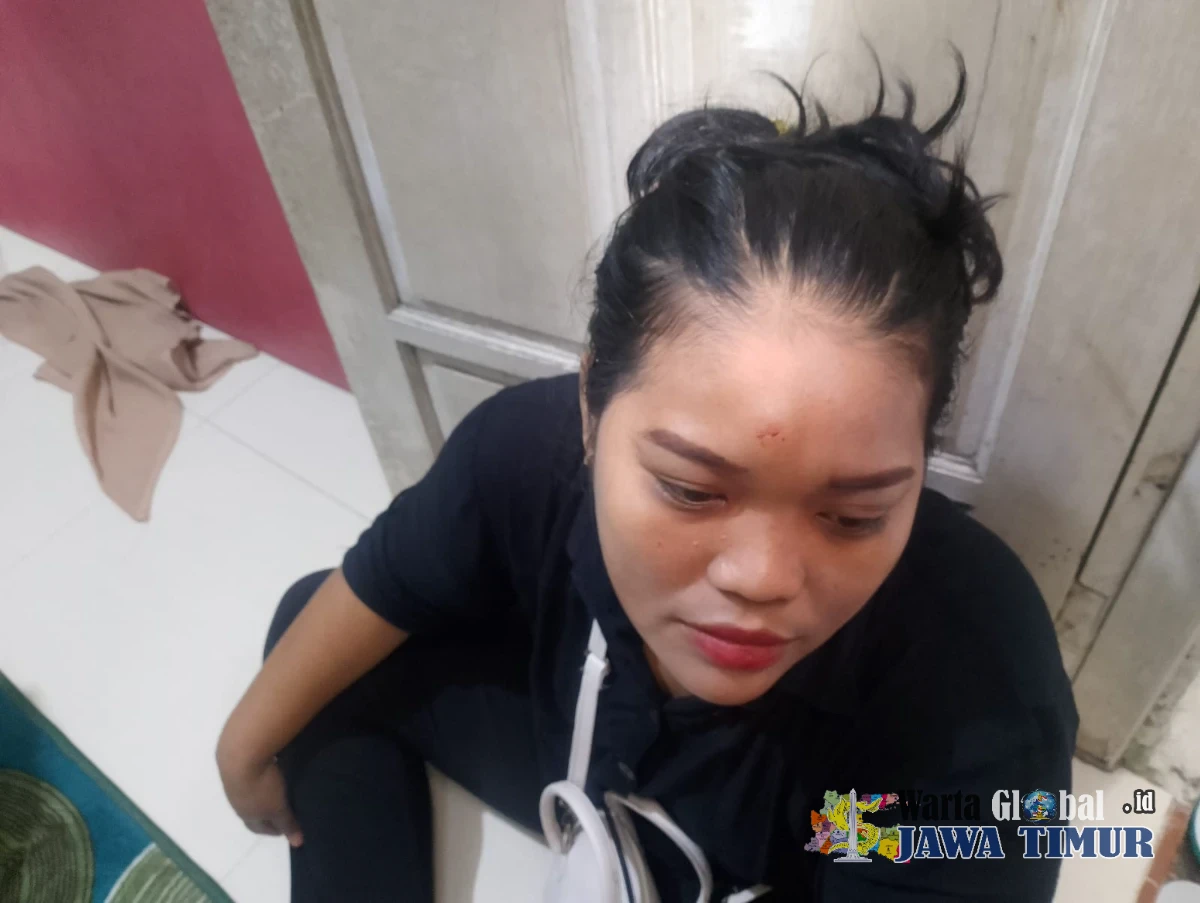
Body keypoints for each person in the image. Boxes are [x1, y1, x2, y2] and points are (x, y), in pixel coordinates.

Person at [217, 55, 1078, 902]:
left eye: (854, 515)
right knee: (316, 637)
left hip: (810, 846)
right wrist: (243, 748)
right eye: (692, 489)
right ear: (592, 403)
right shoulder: (523, 452)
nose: (762, 579)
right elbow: (390, 581)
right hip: (584, 756)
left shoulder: (979, 677)